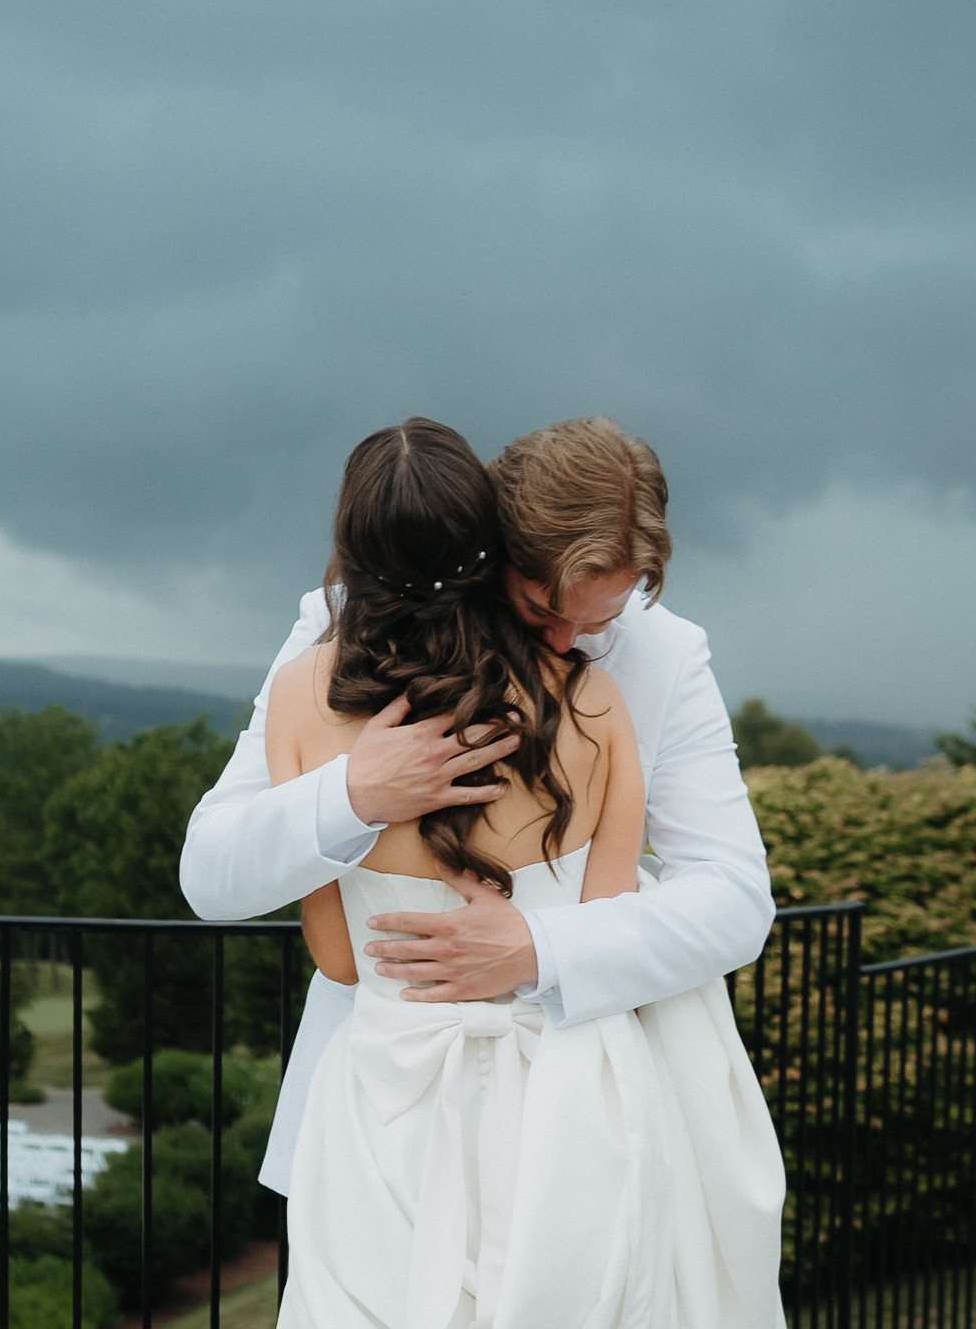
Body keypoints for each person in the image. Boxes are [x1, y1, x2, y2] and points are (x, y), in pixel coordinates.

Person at [258, 419, 784, 1327]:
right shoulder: (596, 708)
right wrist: (353, 795)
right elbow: (609, 901)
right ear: (494, 548)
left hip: (393, 1085)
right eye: (547, 611)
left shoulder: (310, 691)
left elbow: (339, 958)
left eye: (604, 621)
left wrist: (535, 946)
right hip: (567, 1088)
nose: (575, 640)